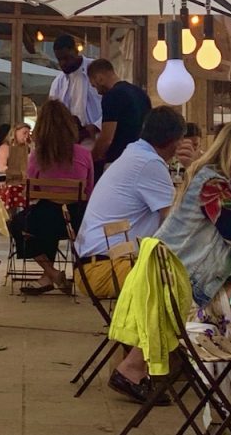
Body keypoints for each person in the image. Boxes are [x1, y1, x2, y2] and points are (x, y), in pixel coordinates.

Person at [74, 106, 187, 404]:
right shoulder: (149, 164)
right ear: (174, 141)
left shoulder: (135, 154)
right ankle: (135, 368)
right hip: (104, 268)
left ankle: (167, 365)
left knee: (172, 278)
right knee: (175, 286)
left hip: (97, 262)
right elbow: (175, 224)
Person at [154, 120, 231, 337]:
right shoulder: (214, 186)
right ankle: (226, 369)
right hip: (182, 292)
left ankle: (222, 367)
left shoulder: (214, 180)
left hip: (174, 280)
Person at [19, 100, 94, 295]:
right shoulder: (84, 154)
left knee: (18, 224)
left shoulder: (37, 156)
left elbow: (30, 190)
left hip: (44, 222)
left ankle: (50, 273)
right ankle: (53, 276)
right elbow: (90, 190)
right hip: (77, 220)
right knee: (46, 215)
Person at [87, 58, 152, 171]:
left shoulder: (112, 96)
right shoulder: (141, 94)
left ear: (99, 78)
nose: (97, 91)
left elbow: (107, 138)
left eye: (94, 85)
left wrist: (90, 159)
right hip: (141, 159)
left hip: (117, 162)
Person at [48, 33, 102, 133]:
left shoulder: (97, 69)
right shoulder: (58, 83)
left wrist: (96, 126)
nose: (63, 63)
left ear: (76, 51)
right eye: (59, 59)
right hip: (70, 138)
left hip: (97, 136)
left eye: (66, 58)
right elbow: (52, 113)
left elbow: (114, 104)